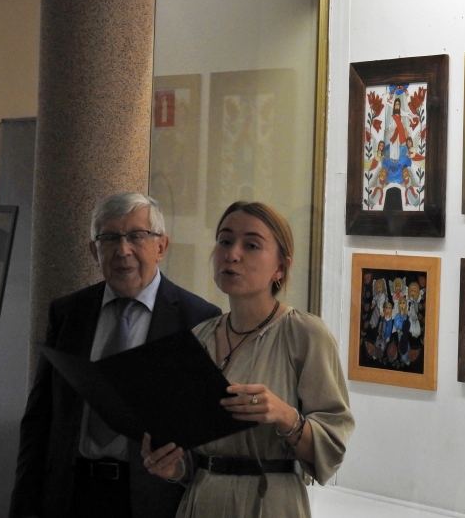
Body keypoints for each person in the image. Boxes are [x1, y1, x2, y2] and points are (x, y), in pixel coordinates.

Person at [11, 193, 222, 518]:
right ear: (93, 251)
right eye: (109, 238)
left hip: (152, 501)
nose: (123, 250)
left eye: (136, 236)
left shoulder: (198, 319)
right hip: (69, 495)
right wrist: (23, 507)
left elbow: (207, 435)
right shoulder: (68, 313)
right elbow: (40, 419)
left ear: (161, 246)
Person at [141, 201, 353, 518]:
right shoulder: (200, 336)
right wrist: (173, 466)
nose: (232, 254)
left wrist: (284, 415)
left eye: (251, 245)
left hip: (270, 502)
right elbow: (196, 455)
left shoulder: (305, 334)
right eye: (225, 241)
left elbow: (331, 451)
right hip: (202, 500)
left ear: (280, 267)